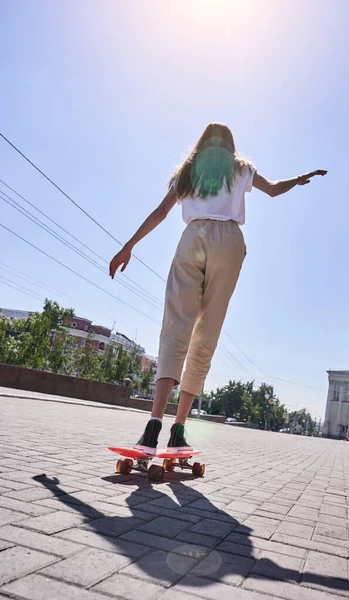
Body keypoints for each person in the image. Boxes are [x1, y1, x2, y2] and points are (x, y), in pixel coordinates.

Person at [109, 122, 327, 451]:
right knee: (206, 332)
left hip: (191, 238)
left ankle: (154, 424)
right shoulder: (241, 169)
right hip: (228, 242)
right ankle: (178, 429)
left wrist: (129, 245)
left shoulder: (188, 172)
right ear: (229, 145)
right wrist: (298, 179)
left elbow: (161, 211)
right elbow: (274, 189)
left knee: (175, 328)